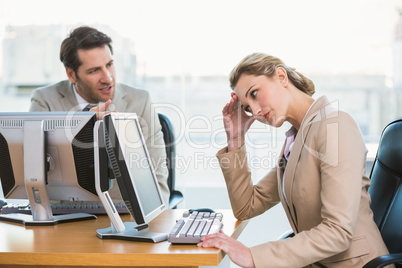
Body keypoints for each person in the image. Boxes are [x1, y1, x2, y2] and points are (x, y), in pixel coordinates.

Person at [197, 53, 390, 267]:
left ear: (281, 76)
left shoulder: (334, 125)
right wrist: (235, 139)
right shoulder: (297, 139)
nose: (257, 111)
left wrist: (252, 256)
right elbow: (247, 207)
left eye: (255, 93)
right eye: (248, 108)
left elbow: (338, 232)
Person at [29, 26, 170, 205]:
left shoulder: (140, 101)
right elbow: (34, 170)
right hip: (67, 215)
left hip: (126, 213)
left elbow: (157, 178)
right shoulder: (45, 100)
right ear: (72, 75)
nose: (108, 78)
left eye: (109, 65)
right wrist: (82, 124)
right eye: (94, 70)